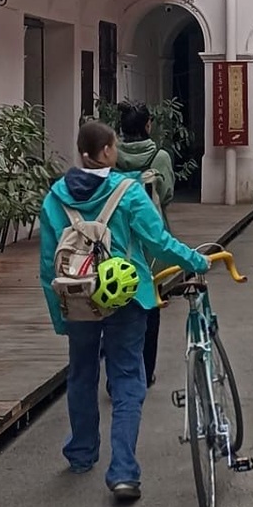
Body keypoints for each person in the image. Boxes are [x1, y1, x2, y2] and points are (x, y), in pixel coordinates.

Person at [39, 120, 209, 501]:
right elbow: (158, 242)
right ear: (106, 152)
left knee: (82, 373)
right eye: (113, 146)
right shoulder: (128, 192)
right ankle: (123, 472)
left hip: (77, 296)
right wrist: (195, 260)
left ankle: (82, 452)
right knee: (127, 377)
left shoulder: (55, 198)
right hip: (126, 296)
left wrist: (59, 314)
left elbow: (48, 264)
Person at [115, 101, 175, 388]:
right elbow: (167, 194)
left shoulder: (111, 155)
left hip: (117, 240)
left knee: (117, 305)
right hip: (150, 243)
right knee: (150, 305)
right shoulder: (159, 157)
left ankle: (117, 372)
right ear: (148, 125)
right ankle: (145, 370)